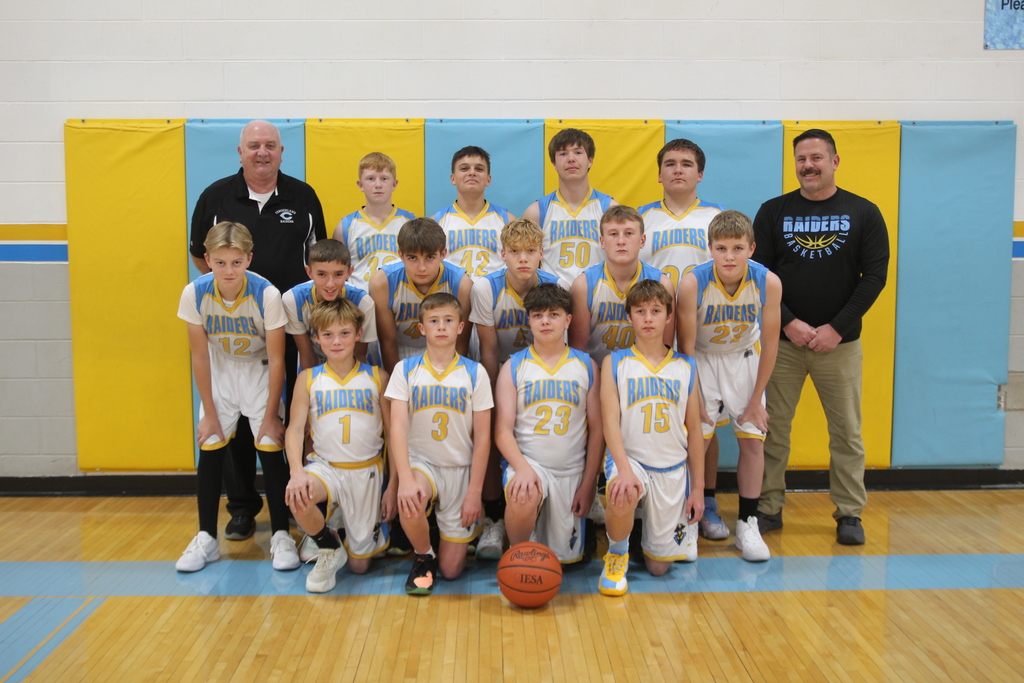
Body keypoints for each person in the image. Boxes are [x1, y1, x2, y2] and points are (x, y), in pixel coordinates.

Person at [190, 120, 327, 541]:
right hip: (235, 331)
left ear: (282, 152)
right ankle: (243, 507)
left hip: (289, 327)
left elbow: (317, 256)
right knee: (233, 426)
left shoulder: (302, 196)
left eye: (270, 145)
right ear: (240, 151)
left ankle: (295, 506)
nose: (262, 152)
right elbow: (200, 256)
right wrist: (238, 295)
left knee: (285, 418)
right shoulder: (215, 196)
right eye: (254, 146)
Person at [752, 128, 890, 546]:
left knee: (846, 431)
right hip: (784, 344)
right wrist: (789, 322)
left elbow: (875, 278)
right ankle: (769, 507)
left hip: (840, 346)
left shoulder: (864, 212)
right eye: (801, 159)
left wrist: (837, 328)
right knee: (772, 430)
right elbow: (760, 275)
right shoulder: (774, 212)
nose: (808, 166)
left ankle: (849, 512)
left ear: (835, 161)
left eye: (816, 158)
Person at [175, 221, 299, 572]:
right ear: (207, 259)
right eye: (219, 262)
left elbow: (277, 359)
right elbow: (199, 356)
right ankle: (206, 538)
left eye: (236, 262)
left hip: (259, 370)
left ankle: (280, 534)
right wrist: (210, 414)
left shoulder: (266, 294)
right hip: (221, 369)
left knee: (270, 445)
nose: (228, 271)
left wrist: (272, 413)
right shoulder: (195, 293)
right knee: (211, 442)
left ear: (249, 259)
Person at [677, 210, 781, 562]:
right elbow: (686, 348)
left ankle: (747, 523)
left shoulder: (768, 282)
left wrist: (756, 400)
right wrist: (694, 397)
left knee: (752, 441)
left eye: (738, 248)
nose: (730, 256)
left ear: (751, 248)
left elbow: (770, 344)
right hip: (703, 359)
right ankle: (690, 520)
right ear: (710, 249)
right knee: (698, 439)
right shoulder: (694, 282)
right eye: (721, 248)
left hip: (745, 358)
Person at [598, 279, 704, 596]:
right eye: (640, 311)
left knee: (659, 569)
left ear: (668, 316)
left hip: (672, 468)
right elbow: (609, 422)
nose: (647, 318)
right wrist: (624, 469)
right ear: (629, 316)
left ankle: (655, 534)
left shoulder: (687, 366)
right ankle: (616, 554)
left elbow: (695, 431)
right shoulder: (614, 363)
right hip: (631, 460)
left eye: (655, 311)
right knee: (621, 489)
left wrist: (697, 489)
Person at [469, 218, 567, 559]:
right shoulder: (485, 288)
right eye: (515, 252)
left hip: (542, 371)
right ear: (502, 254)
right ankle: (495, 517)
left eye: (530, 251)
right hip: (503, 371)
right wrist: (495, 397)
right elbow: (489, 348)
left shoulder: (557, 285)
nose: (523, 259)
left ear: (542, 253)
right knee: (497, 437)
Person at [385, 293, 493, 595]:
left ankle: (463, 530)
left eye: (448, 320)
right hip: (422, 463)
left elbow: (483, 437)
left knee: (452, 571)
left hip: (460, 469)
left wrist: (474, 492)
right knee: (411, 499)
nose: (441, 327)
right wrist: (404, 479)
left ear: (460, 327)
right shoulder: (405, 370)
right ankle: (423, 555)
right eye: (433, 321)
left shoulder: (476, 373)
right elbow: (397, 428)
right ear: (422, 328)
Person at [283, 299, 394, 593]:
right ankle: (328, 545)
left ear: (358, 334)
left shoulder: (376, 377)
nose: (336, 341)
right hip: (325, 467)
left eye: (344, 333)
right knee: (298, 495)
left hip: (366, 471)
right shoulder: (308, 379)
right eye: (328, 335)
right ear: (316, 338)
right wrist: (297, 471)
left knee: (359, 567)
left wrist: (393, 484)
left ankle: (345, 527)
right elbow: (294, 430)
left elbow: (395, 435)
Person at [494, 284, 603, 563]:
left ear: (568, 320)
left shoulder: (587, 367)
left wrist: (589, 484)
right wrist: (522, 468)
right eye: (538, 315)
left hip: (571, 472)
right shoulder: (513, 367)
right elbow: (502, 431)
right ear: (528, 320)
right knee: (523, 492)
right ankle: (515, 557)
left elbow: (598, 431)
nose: (545, 321)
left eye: (554, 314)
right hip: (531, 466)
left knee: (563, 562)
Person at [568, 205, 673, 364]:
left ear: (642, 240)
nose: (621, 241)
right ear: (602, 241)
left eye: (629, 233)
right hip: (598, 372)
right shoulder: (584, 285)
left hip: (644, 374)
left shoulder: (662, 283)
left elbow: (665, 350)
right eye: (613, 234)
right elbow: (578, 353)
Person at [369, 217, 474, 373]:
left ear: (443, 254)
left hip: (446, 348)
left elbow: (461, 342)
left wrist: (451, 377)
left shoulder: (462, 284)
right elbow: (388, 342)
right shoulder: (382, 282)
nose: (422, 268)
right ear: (400, 254)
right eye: (412, 258)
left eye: (430, 258)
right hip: (400, 348)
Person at [522, 128, 618, 285]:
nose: (571, 159)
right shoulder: (536, 212)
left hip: (597, 298)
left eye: (578, 152)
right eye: (563, 153)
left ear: (590, 160)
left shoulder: (609, 209)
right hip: (551, 301)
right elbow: (525, 264)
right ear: (553, 163)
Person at [638, 138, 723, 292]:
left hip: (704, 312)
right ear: (659, 175)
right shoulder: (638, 218)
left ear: (700, 175)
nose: (678, 170)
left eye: (686, 164)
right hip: (653, 312)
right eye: (670, 164)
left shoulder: (719, 217)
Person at [283, 239, 376, 368]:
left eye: (338, 274)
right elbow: (308, 356)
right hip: (313, 364)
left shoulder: (363, 303)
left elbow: (359, 355)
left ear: (349, 272)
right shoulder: (293, 300)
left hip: (351, 364)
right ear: (309, 272)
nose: (330, 284)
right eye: (322, 274)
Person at [333, 152, 415, 290]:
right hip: (359, 303)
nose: (378, 185)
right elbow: (338, 273)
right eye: (371, 178)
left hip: (400, 301)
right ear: (360, 185)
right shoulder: (345, 227)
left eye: (384, 178)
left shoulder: (410, 222)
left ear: (394, 184)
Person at [433, 146, 515, 280]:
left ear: (488, 179)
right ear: (453, 178)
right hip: (452, 297)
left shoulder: (508, 221)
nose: (472, 173)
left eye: (479, 169)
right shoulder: (435, 222)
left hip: (494, 297)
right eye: (464, 168)